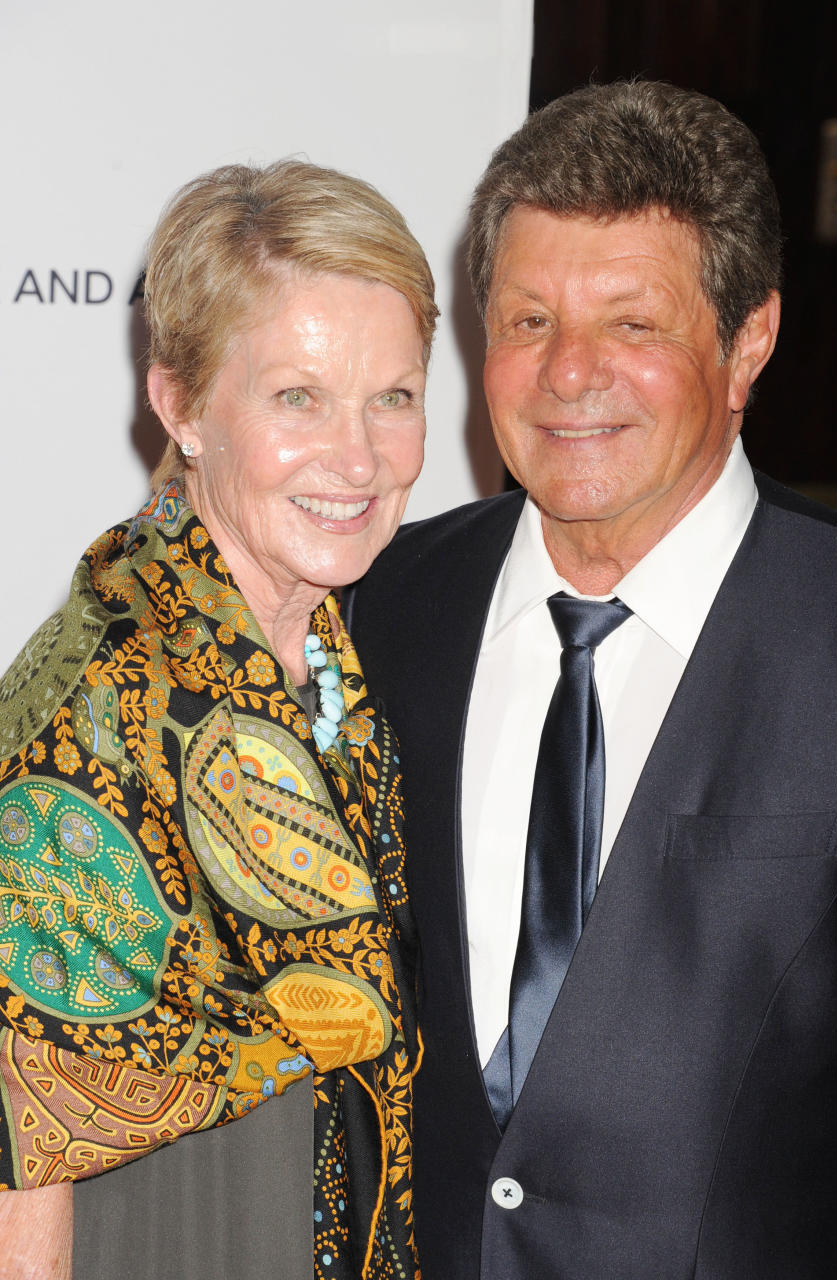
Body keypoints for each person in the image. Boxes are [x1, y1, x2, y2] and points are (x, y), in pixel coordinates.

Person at [344, 80, 837, 1278]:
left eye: (632, 324)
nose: (569, 374)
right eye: (527, 322)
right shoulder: (385, 605)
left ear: (750, 344)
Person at [0, 158, 437, 1280]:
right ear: (181, 407)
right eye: (298, 396)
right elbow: (23, 1141)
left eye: (393, 394)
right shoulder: (105, 702)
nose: (359, 456)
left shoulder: (332, 644)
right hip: (171, 1230)